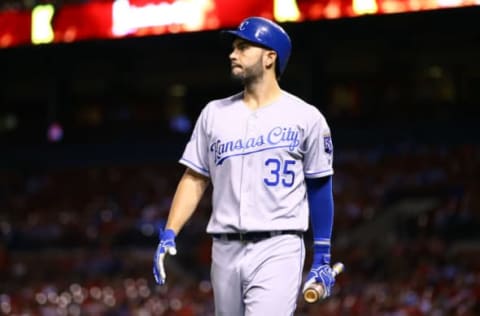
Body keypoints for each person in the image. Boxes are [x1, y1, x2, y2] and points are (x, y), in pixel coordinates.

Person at [153, 16, 339, 315]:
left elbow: (319, 185)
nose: (232, 53)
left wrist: (322, 256)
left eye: (242, 47)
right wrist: (169, 232)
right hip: (224, 249)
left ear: (270, 57)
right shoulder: (214, 113)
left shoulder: (306, 117)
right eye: (233, 47)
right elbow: (194, 178)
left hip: (278, 245)